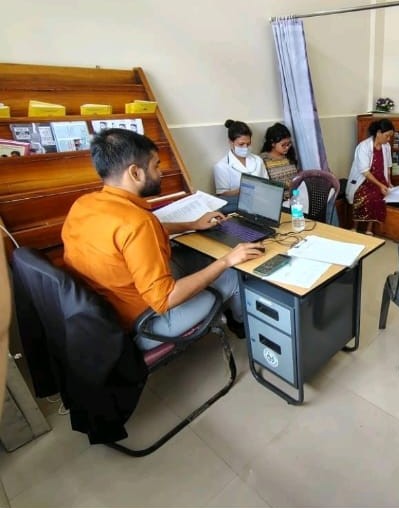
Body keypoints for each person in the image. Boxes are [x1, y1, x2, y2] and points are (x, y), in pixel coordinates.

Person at [62, 129, 265, 350]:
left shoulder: (85, 204)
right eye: (156, 166)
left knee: (200, 258)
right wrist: (227, 260)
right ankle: (242, 326)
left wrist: (191, 225)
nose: (161, 173)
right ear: (135, 173)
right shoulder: (137, 222)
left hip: (109, 313)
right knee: (234, 273)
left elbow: (133, 237)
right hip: (145, 324)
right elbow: (165, 299)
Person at [346, 118, 394, 235]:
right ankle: (354, 227)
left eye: (390, 136)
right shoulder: (363, 147)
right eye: (387, 136)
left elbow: (388, 166)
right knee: (363, 195)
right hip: (364, 180)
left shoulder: (386, 147)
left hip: (380, 179)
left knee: (378, 196)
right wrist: (380, 185)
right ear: (378, 133)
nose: (389, 139)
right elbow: (365, 172)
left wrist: (388, 182)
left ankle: (369, 229)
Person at [213, 119, 268, 199]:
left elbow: (267, 183)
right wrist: (244, 190)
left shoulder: (258, 160)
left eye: (248, 144)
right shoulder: (222, 166)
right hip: (237, 203)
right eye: (241, 144)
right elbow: (222, 194)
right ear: (231, 142)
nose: (245, 147)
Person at [260, 122, 299, 199]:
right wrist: (286, 185)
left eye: (289, 144)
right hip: (277, 199)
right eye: (283, 145)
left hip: (296, 197)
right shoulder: (263, 160)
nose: (287, 147)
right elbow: (264, 185)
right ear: (273, 144)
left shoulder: (289, 156)